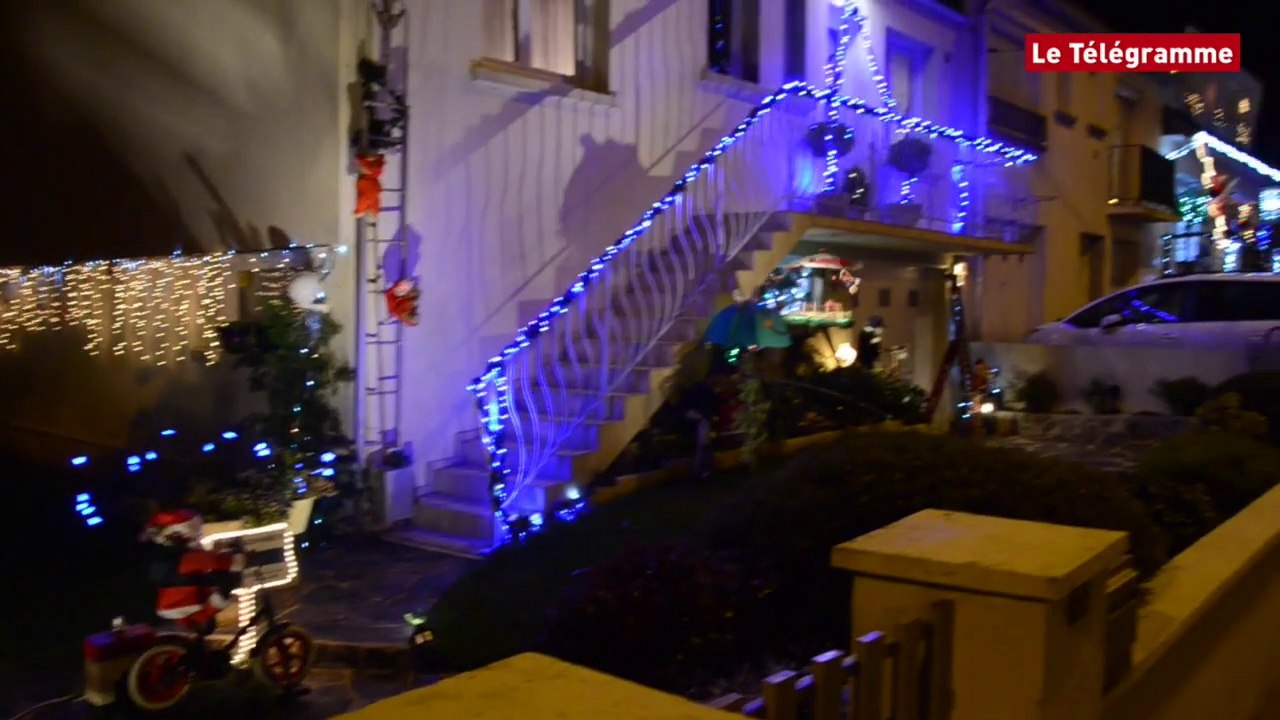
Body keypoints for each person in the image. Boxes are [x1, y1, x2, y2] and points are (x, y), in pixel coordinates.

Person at [142, 509, 245, 635]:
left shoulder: (162, 557)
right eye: (196, 536)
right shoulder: (185, 557)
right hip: (181, 602)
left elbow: (211, 562)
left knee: (222, 587)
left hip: (172, 605)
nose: (197, 539)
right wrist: (241, 558)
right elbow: (219, 562)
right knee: (224, 584)